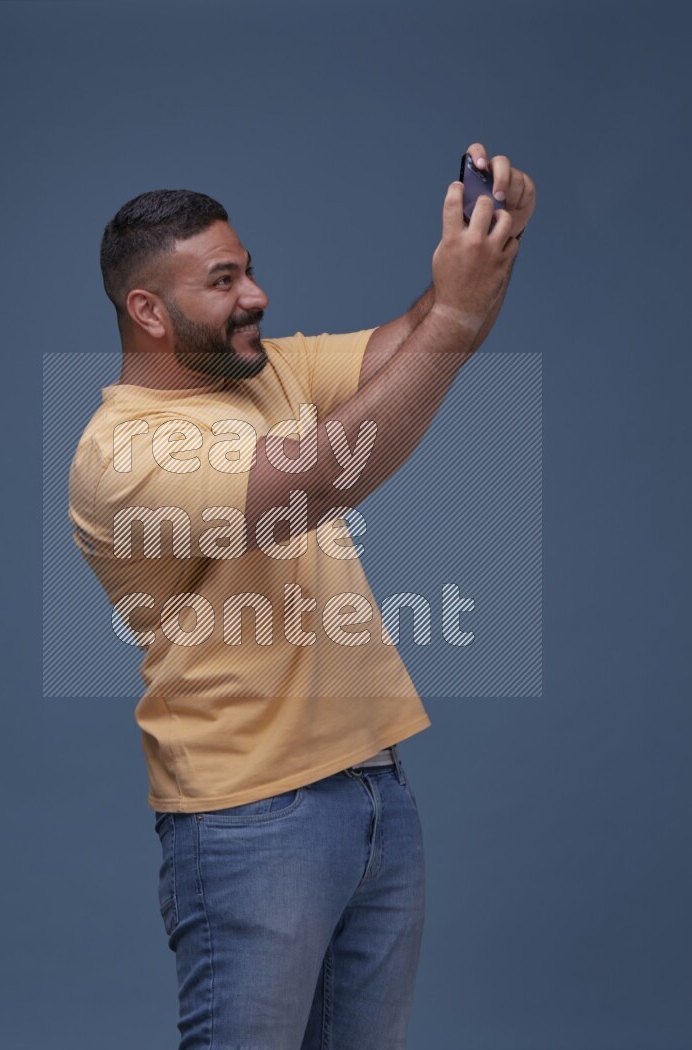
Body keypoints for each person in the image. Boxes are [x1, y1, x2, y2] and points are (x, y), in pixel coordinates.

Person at [68, 141, 536, 1049]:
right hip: (248, 819)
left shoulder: (265, 371)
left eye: (251, 270)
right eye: (225, 280)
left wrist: (490, 243)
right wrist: (455, 321)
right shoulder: (121, 456)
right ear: (148, 310)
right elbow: (320, 479)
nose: (257, 296)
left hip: (374, 794)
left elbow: (422, 340)